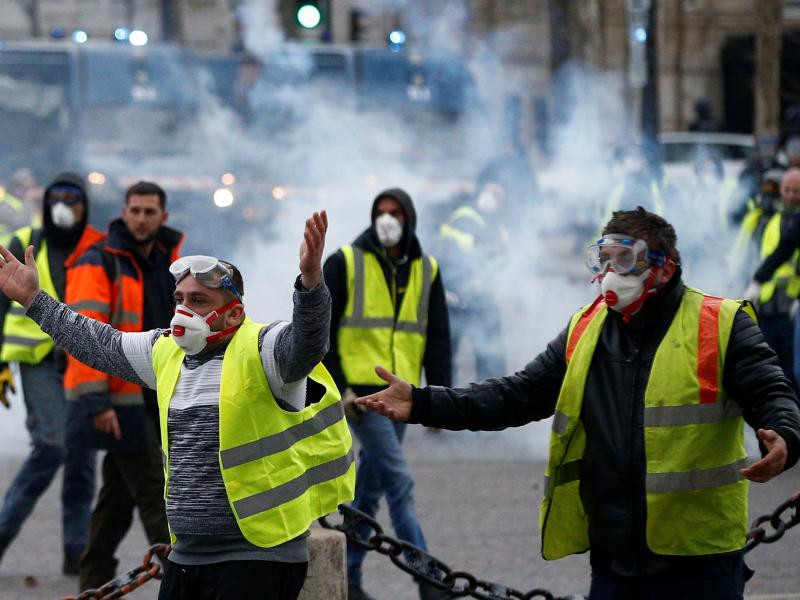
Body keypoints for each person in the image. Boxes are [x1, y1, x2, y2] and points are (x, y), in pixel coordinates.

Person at [357, 207, 800, 600]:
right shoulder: (584, 330)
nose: (609, 273)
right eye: (603, 259)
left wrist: (783, 435)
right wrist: (421, 402)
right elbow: (514, 396)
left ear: (663, 268)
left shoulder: (720, 324)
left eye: (623, 260)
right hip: (615, 560)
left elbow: (772, 392)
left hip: (700, 561)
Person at [0, 210, 354, 600]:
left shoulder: (264, 349)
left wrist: (310, 283)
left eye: (199, 301)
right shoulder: (165, 352)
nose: (184, 311)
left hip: (259, 558)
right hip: (189, 555)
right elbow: (97, 343)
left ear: (234, 312)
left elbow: (308, 343)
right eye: (180, 299)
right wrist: (34, 300)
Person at [322, 189, 451, 600]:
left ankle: (351, 575)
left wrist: (439, 399)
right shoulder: (345, 262)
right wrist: (338, 385)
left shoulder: (426, 269)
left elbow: (438, 337)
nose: (387, 219)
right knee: (400, 482)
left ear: (408, 218)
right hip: (362, 398)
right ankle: (429, 580)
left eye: (395, 213)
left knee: (370, 488)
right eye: (381, 212)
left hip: (403, 399)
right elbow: (318, 330)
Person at [65, 181, 184, 590]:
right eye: (135, 210)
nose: (141, 218)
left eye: (150, 211)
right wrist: (97, 402)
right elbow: (83, 334)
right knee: (155, 494)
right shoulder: (98, 260)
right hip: (120, 398)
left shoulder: (173, 261)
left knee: (115, 502)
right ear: (124, 211)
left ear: (162, 216)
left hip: (157, 393)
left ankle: (92, 584)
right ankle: (186, 583)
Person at [0, 172, 105, 574]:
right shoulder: (26, 241)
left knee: (81, 456)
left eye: (73, 197)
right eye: (57, 196)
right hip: (39, 362)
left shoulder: (97, 248)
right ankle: (4, 532)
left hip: (83, 360)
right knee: (51, 447)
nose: (64, 204)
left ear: (85, 204)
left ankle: (76, 553)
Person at [438, 169, 509, 382]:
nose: (491, 198)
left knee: (491, 358)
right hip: (456, 300)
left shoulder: (498, 228)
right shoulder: (465, 218)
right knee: (446, 360)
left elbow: (502, 264)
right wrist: (466, 286)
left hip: (482, 301)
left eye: (497, 195)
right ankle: (444, 404)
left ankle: (488, 401)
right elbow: (455, 258)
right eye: (489, 192)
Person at [740, 169, 800, 388]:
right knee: (771, 367)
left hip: (790, 305)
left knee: (794, 370)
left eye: (796, 191)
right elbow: (778, 252)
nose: (791, 195)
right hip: (768, 303)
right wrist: (754, 280)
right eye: (787, 190)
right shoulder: (772, 220)